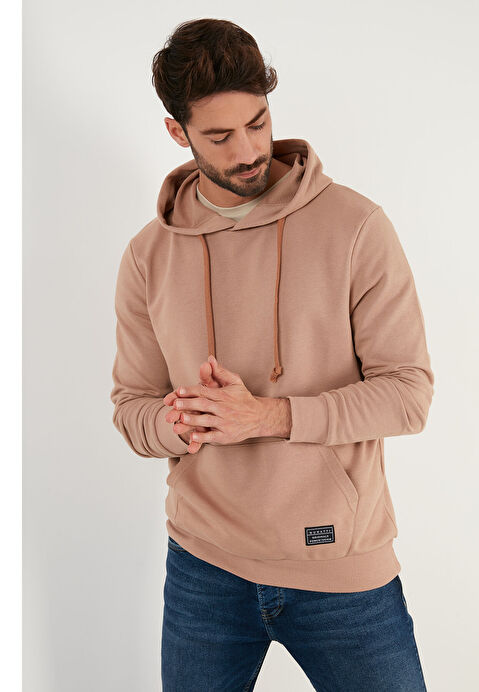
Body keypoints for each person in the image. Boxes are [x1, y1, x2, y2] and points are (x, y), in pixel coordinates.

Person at [110, 17, 434, 691]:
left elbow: (408, 395)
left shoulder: (355, 227)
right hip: (203, 565)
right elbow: (132, 408)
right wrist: (183, 421)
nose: (248, 150)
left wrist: (265, 416)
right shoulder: (148, 255)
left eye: (257, 123)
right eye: (220, 136)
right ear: (177, 132)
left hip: (339, 567)